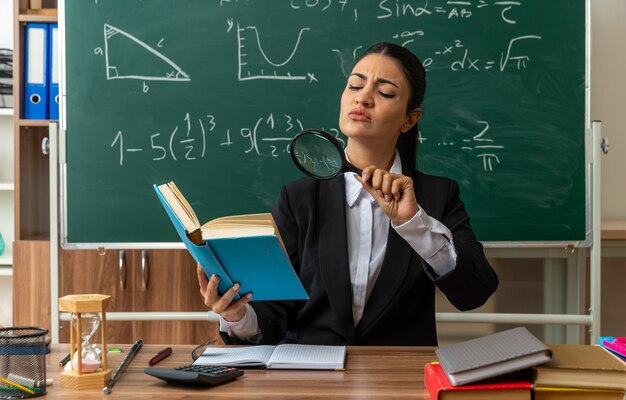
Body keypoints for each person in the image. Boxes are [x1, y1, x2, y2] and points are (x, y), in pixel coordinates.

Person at [197, 42, 499, 346]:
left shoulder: (437, 195)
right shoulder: (297, 198)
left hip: (399, 378)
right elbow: (275, 313)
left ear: (410, 118)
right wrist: (237, 315)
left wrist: (415, 224)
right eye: (355, 84)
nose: (363, 97)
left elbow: (475, 293)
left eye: (385, 93)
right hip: (310, 377)